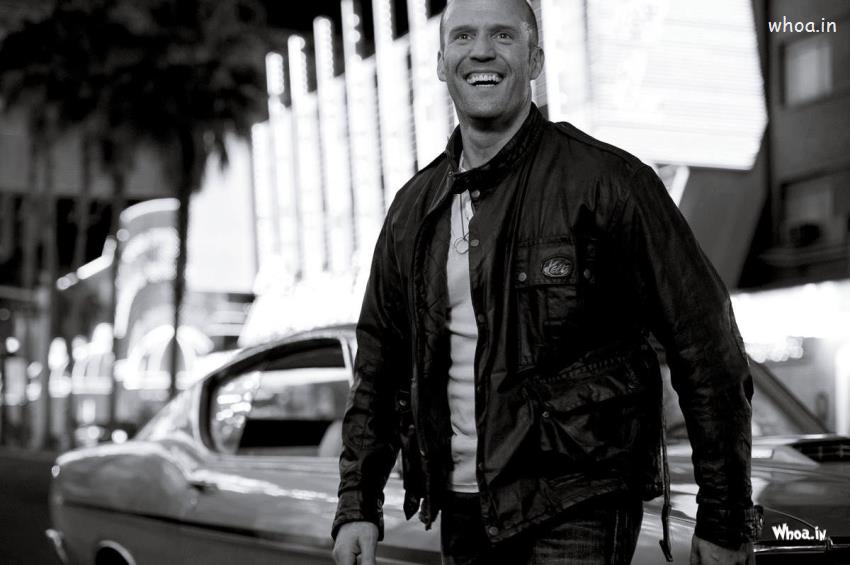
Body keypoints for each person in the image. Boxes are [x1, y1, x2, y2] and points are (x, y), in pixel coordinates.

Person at [331, 0, 761, 563]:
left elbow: (706, 347)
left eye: (502, 36)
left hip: (578, 501)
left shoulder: (609, 183)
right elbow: (378, 367)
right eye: (463, 37)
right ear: (440, 64)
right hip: (462, 509)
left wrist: (724, 516)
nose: (481, 51)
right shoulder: (413, 209)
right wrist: (357, 505)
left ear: (534, 60)